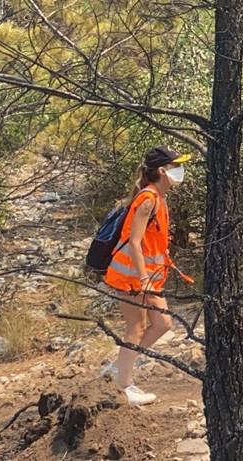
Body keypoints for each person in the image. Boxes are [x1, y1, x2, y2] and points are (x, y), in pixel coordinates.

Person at [101, 146, 191, 405]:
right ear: (162, 171)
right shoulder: (148, 199)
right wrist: (142, 280)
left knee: (163, 324)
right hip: (133, 277)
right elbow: (134, 242)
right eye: (175, 165)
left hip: (149, 277)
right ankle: (124, 386)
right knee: (137, 328)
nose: (179, 170)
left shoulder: (159, 197)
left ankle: (119, 369)